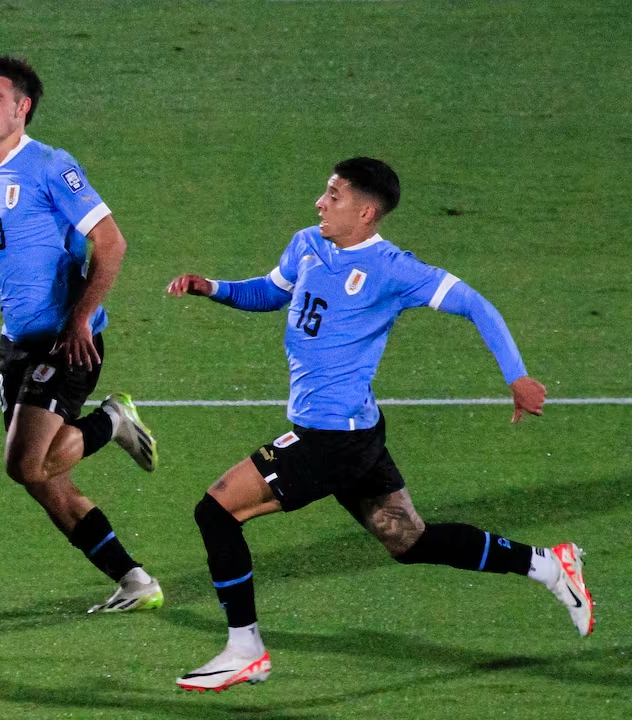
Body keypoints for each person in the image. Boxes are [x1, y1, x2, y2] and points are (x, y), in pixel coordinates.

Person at [166, 157, 594, 692]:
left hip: (333, 439)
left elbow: (476, 305)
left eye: (334, 196)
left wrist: (518, 377)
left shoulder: (394, 270)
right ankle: (550, 566)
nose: (321, 203)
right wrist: (215, 288)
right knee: (409, 541)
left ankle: (245, 649)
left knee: (217, 510)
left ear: (367, 212)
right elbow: (272, 293)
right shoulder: (307, 244)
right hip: (357, 433)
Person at [0, 56, 163, 614]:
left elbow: (111, 243)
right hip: (17, 347)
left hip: (68, 342)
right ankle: (134, 580)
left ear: (22, 108)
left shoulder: (51, 166)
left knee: (24, 463)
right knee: (44, 479)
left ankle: (111, 420)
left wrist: (79, 319)